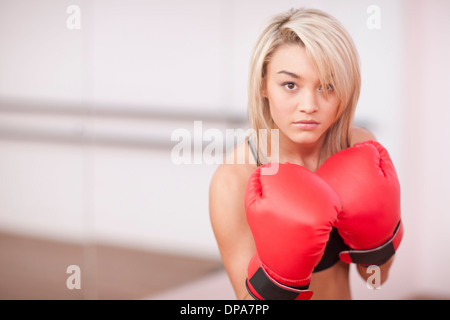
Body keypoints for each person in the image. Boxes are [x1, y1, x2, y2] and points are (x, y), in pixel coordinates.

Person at [209, 8, 403, 300]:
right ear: (263, 84)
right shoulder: (235, 179)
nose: (309, 105)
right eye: (290, 85)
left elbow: (376, 276)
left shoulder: (359, 147)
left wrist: (377, 238)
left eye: (327, 86)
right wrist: (282, 270)